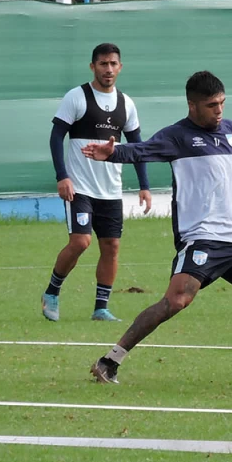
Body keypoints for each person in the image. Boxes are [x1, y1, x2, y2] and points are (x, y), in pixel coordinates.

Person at [83, 71, 232, 384]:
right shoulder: (177, 136)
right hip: (202, 242)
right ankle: (109, 361)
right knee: (175, 301)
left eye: (222, 103)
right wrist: (113, 153)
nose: (219, 110)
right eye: (212, 104)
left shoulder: (230, 131)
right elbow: (143, 150)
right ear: (193, 106)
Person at [42, 43, 152, 322]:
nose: (109, 69)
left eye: (113, 64)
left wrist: (144, 186)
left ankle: (101, 308)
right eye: (103, 64)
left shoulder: (126, 104)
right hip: (78, 188)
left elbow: (137, 147)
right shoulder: (76, 97)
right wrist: (62, 176)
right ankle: (52, 292)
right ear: (93, 66)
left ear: (120, 67)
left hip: (111, 191)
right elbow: (56, 137)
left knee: (111, 247)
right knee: (80, 241)